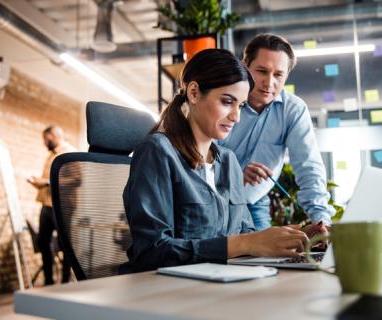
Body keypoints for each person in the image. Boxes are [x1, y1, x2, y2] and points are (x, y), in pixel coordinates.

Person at [121, 49, 322, 273]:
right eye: (227, 102)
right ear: (194, 93)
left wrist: (289, 237)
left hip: (219, 283)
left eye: (241, 105)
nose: (236, 116)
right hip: (169, 292)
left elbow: (246, 235)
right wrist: (246, 243)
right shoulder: (158, 151)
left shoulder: (228, 161)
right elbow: (151, 252)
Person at [218, 33, 335, 234]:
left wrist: (321, 220)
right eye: (262, 71)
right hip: (213, 198)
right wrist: (234, 174)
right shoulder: (224, 99)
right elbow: (199, 157)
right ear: (245, 65)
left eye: (278, 75)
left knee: (264, 262)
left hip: (252, 202)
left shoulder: (293, 110)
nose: (269, 82)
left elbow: (308, 167)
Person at [27, 126, 75, 285]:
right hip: (46, 206)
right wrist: (38, 183)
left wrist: (47, 182)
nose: (44, 143)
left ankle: (66, 281)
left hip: (62, 207)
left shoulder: (69, 152)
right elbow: (48, 181)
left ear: (53, 135)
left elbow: (77, 179)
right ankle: (49, 280)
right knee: (42, 241)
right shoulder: (50, 156)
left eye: (45, 139)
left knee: (65, 244)